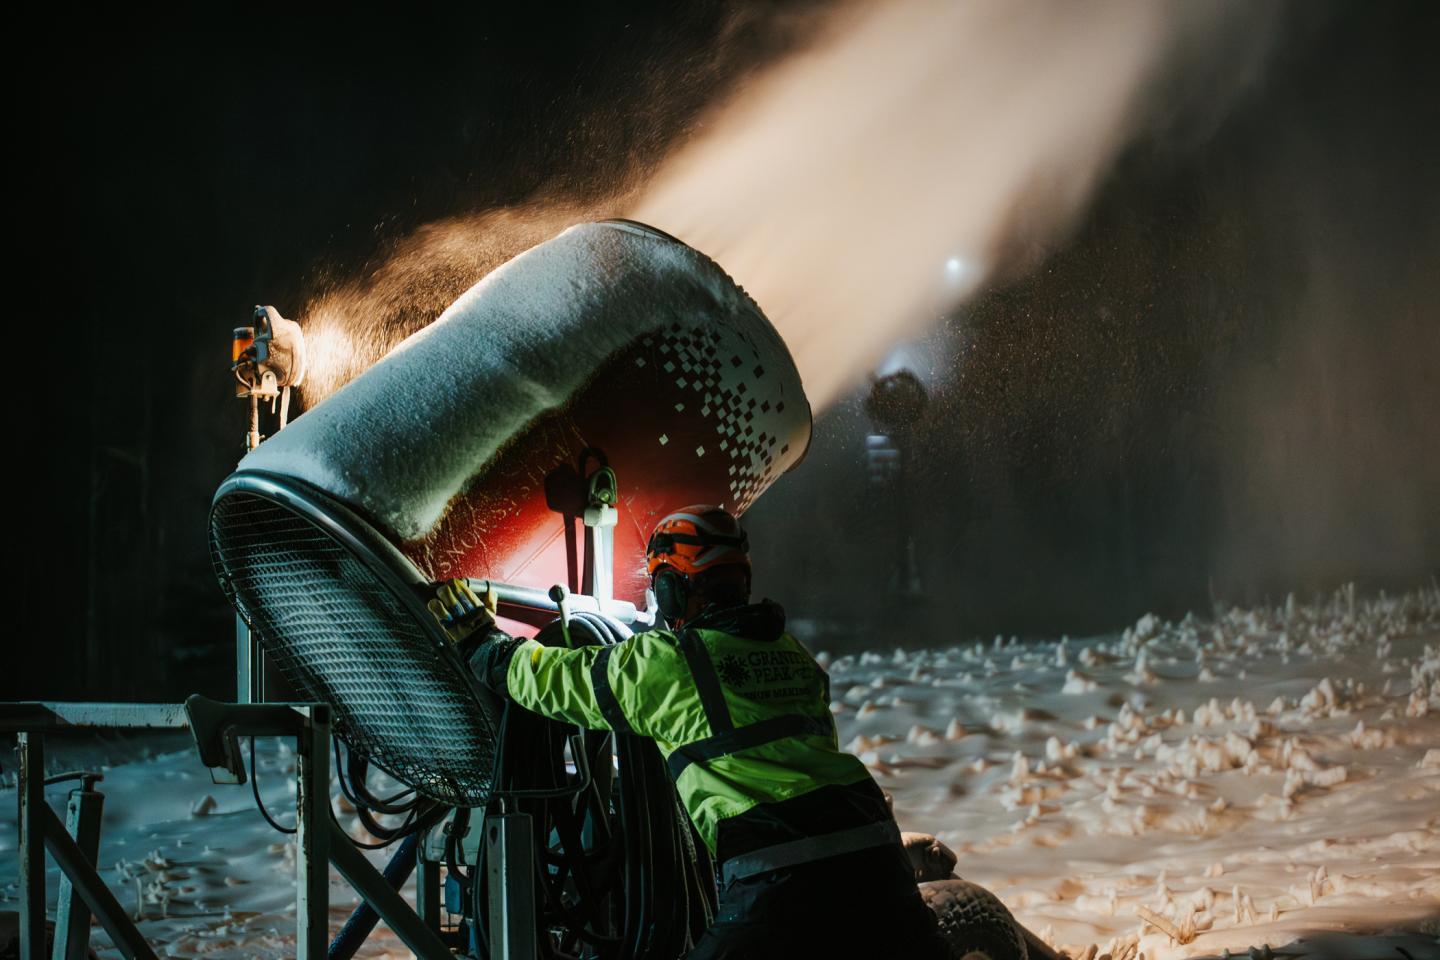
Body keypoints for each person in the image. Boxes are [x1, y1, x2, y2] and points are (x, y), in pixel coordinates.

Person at [432, 505, 944, 959]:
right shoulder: (793, 655)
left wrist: (485, 645)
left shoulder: (671, 662)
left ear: (672, 591)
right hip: (875, 851)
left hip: (776, 870)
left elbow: (558, 682)